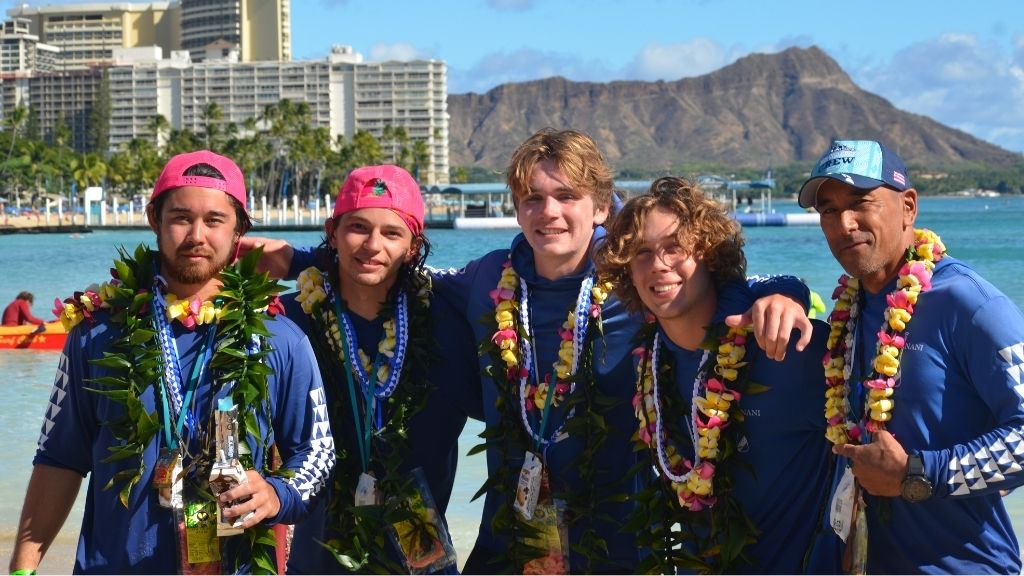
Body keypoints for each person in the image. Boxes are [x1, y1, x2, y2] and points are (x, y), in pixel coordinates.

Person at [239, 128, 814, 573]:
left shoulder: (638, 279)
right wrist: (301, 260)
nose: (550, 212)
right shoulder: (485, 279)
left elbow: (714, 284)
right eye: (533, 198)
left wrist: (784, 292)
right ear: (517, 209)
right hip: (506, 546)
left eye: (567, 196)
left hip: (620, 550)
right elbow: (392, 267)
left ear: (601, 207)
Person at [8, 150, 335, 574]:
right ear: (154, 220)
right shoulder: (97, 334)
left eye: (215, 220)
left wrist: (276, 494)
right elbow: (59, 459)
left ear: (240, 231)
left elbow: (317, 453)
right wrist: (21, 569)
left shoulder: (281, 338)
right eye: (181, 217)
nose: (197, 235)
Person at [593, 177, 840, 573]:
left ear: (708, 254)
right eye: (641, 252)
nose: (658, 264)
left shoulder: (787, 348)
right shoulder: (646, 368)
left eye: (674, 247)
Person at [799, 140, 1024, 573]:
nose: (844, 224)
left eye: (862, 202)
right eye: (828, 210)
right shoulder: (851, 309)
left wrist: (915, 474)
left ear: (908, 206)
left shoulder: (969, 304)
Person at [282, 165, 479, 574]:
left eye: (392, 233)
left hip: (422, 557)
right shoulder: (289, 320)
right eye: (357, 227)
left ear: (413, 246)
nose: (372, 245)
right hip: (317, 558)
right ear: (332, 232)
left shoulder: (450, 323)